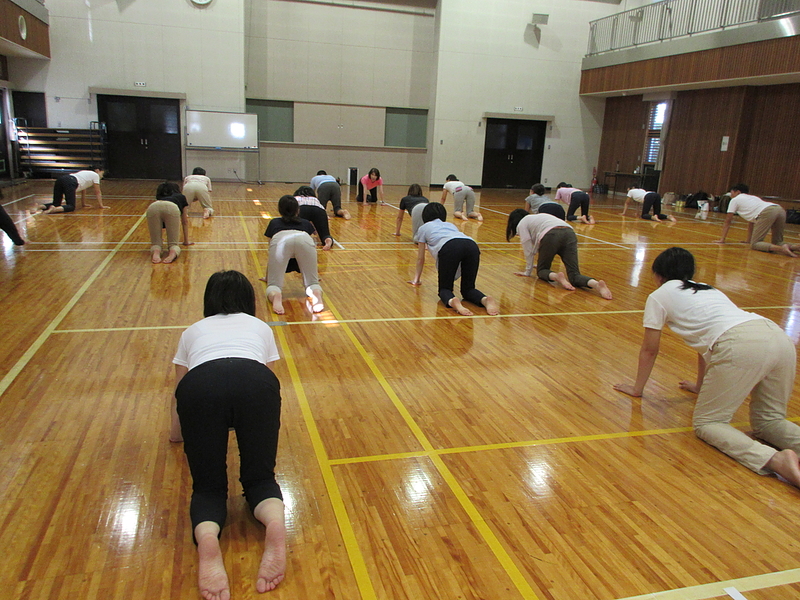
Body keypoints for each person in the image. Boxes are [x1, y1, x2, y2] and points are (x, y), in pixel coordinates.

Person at [613, 247, 800, 489]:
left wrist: (637, 389)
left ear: (657, 274)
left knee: (708, 423)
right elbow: (704, 344)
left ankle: (776, 460)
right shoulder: (707, 288)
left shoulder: (658, 295)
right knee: (769, 421)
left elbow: (650, 349)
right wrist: (701, 386)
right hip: (777, 336)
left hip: (740, 343)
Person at [170, 270, 286, 599]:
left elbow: (179, 393)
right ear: (248, 301)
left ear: (209, 301)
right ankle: (275, 528)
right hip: (256, 383)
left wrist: (179, 434)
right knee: (261, 478)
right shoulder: (260, 327)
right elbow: (269, 383)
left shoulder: (192, 331)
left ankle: (208, 544)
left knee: (208, 488)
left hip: (201, 386)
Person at [410, 202, 499, 316]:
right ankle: (485, 299)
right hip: (471, 245)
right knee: (468, 289)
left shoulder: (423, 228)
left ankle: (454, 302)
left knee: (444, 290)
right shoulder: (450, 225)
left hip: (449, 247)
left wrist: (416, 280)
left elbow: (420, 258)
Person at [505, 208, 612, 299]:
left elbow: (528, 248)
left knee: (542, 270)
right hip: (569, 233)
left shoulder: (522, 223)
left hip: (551, 235)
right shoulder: (539, 217)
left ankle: (557, 277)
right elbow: (537, 243)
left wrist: (527, 271)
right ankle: (597, 285)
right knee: (575, 275)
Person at [260, 195, 324, 315]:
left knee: (274, 285)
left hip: (281, 240)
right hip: (304, 238)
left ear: (280, 209)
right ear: (297, 210)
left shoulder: (274, 223)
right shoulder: (306, 223)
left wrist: (269, 276)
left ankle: (276, 296)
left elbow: (271, 251)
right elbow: (313, 242)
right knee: (312, 283)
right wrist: (312, 273)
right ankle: (315, 294)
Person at [716, 184, 799, 256]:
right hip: (780, 209)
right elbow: (751, 222)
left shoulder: (735, 200)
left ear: (738, 192)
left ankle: (782, 249)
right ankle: (794, 247)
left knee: (755, 244)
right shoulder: (752, 198)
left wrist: (722, 239)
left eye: (732, 192)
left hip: (767, 212)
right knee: (778, 241)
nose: (731, 194)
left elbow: (728, 221)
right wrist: (748, 240)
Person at [147, 181, 193, 264]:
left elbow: (162, 222)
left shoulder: (160, 197)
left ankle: (156, 251)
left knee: (155, 242)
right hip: (172, 208)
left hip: (153, 207)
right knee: (173, 243)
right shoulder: (181, 197)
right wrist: (186, 240)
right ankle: (172, 252)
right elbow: (184, 221)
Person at [35, 167, 107, 213]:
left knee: (56, 203)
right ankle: (54, 210)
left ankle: (39, 206)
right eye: (102, 173)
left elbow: (83, 190)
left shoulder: (85, 173)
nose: (102, 176)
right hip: (71, 181)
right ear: (97, 170)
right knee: (71, 206)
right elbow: (98, 192)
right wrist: (101, 205)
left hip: (61, 179)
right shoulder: (95, 175)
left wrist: (83, 204)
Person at [294, 186, 333, 250]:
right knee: (325, 233)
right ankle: (327, 240)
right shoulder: (315, 199)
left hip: (301, 208)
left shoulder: (295, 198)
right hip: (319, 210)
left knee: (298, 230)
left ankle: (303, 241)